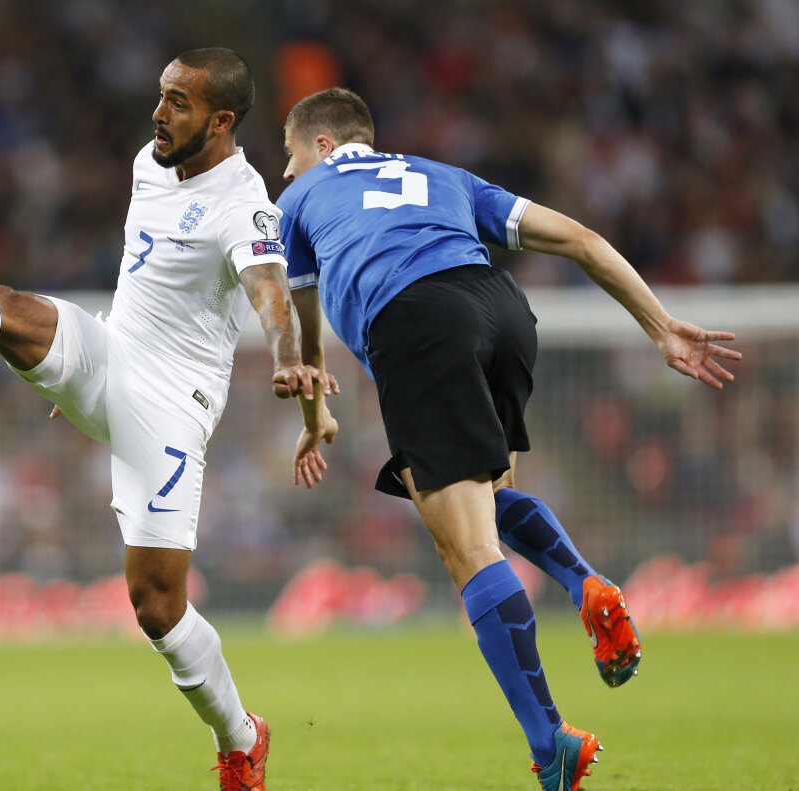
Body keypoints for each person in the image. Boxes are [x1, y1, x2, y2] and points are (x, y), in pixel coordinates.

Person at [0, 48, 336, 791]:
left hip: (171, 411)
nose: (159, 112)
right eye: (160, 95)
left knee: (156, 605)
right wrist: (88, 382)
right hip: (110, 351)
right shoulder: (148, 163)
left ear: (221, 121)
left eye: (179, 103)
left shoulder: (242, 201)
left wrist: (287, 358)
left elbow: (272, 293)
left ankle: (242, 736)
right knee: (5, 307)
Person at [276, 88, 740, 791]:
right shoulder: (447, 176)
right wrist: (661, 324)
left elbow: (304, 332)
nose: (284, 172)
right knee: (493, 499)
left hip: (417, 321)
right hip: (500, 308)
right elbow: (580, 239)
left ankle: (549, 741)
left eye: (287, 155)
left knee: (466, 548)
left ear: (321, 146)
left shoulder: (301, 198)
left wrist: (314, 421)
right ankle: (589, 585)